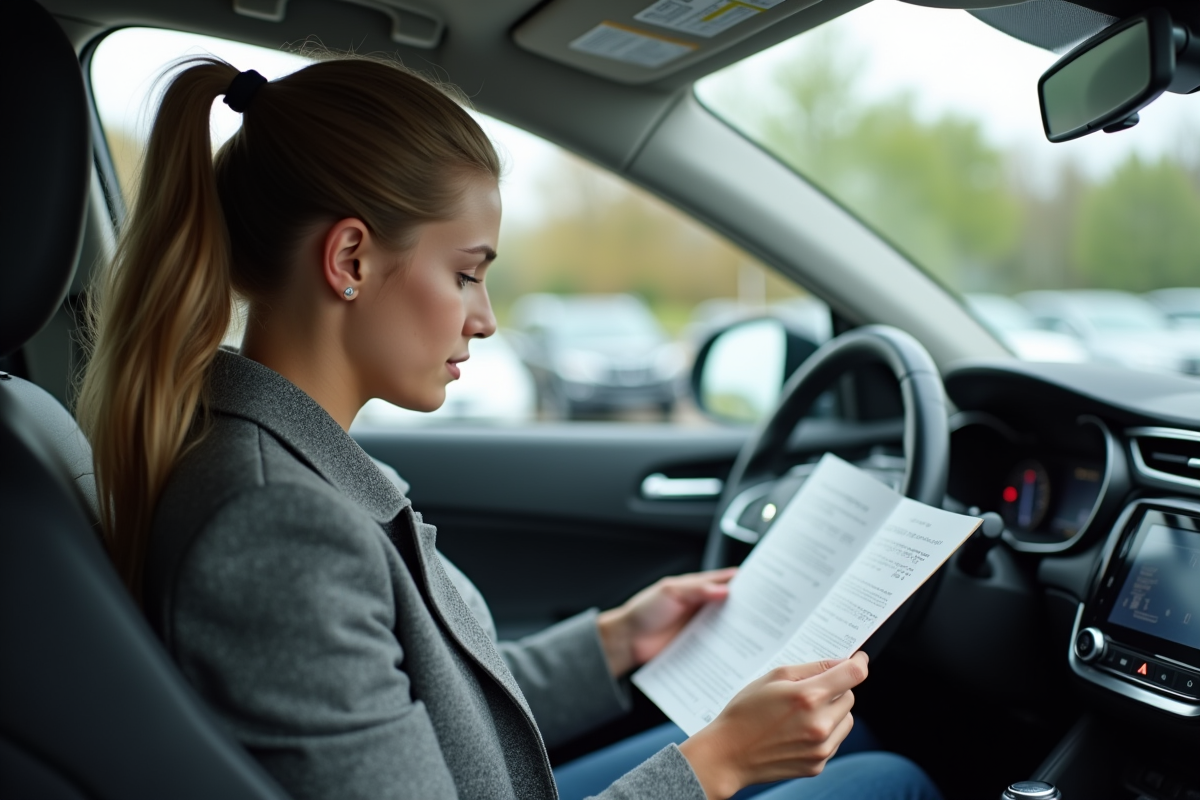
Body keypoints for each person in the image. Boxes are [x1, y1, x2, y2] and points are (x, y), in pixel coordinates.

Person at [76, 54, 941, 800]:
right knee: (890, 780)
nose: (484, 319)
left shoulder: (273, 461)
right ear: (349, 260)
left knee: (855, 756)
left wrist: (615, 643)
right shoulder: (276, 529)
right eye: (465, 274)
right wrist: (714, 765)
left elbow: (434, 709)